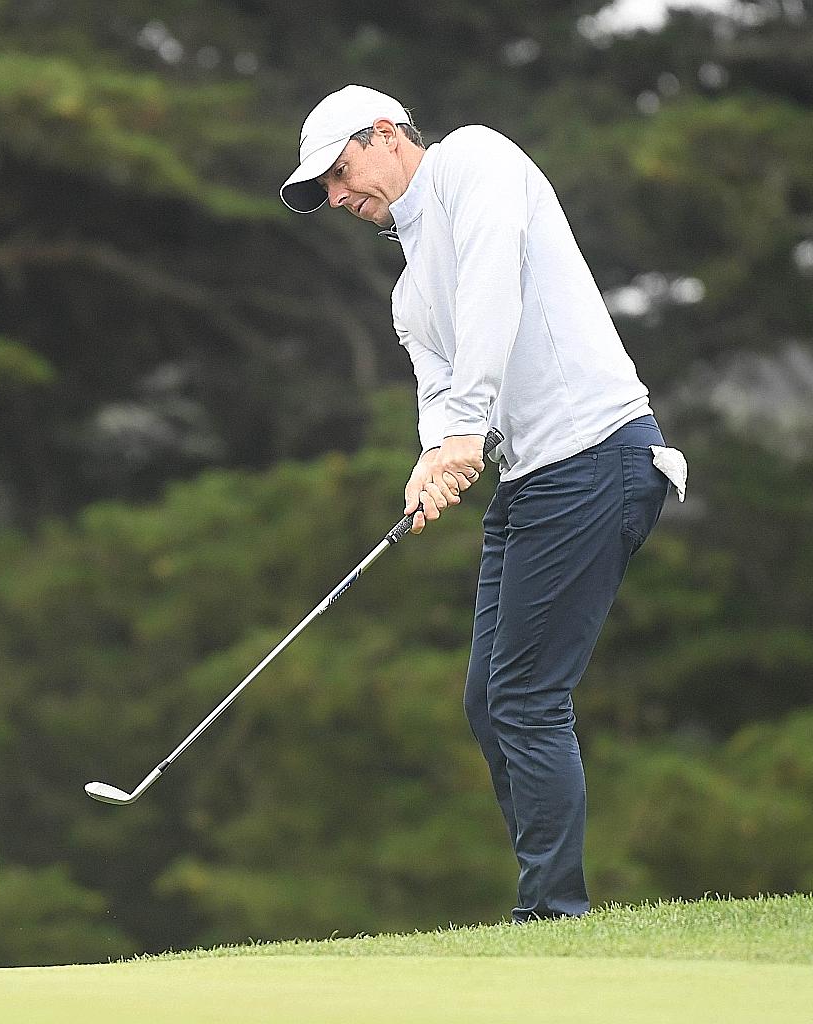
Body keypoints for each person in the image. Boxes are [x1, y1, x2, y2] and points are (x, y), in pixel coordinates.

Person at [280, 85, 685, 921]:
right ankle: (546, 905)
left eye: (340, 170)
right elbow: (442, 388)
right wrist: (434, 457)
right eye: (323, 189)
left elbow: (493, 286)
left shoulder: (476, 160)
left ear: (386, 134)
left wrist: (464, 429)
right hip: (536, 479)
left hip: (598, 454)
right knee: (488, 700)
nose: (338, 195)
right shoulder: (406, 295)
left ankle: (553, 915)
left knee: (528, 695)